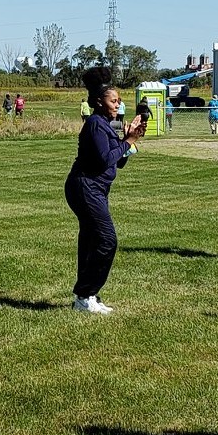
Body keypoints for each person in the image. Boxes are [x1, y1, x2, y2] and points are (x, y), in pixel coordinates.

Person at [65, 66, 146, 313]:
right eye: (114, 101)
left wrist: (129, 139)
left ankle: (86, 296)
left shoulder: (104, 125)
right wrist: (128, 142)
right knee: (107, 240)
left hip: (95, 188)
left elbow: (117, 161)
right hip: (85, 186)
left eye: (119, 101)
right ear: (100, 102)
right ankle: (85, 293)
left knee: (90, 241)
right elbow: (103, 159)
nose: (118, 105)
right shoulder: (96, 124)